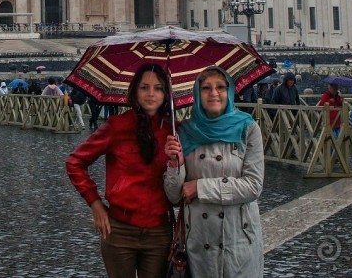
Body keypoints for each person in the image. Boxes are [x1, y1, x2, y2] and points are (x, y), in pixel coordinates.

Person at [66, 64, 174, 278]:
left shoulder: (174, 130)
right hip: (119, 230)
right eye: (144, 87)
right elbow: (75, 162)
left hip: (159, 231)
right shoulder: (117, 126)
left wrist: (177, 159)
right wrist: (95, 203)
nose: (151, 94)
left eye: (158, 88)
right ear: (134, 91)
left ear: (166, 94)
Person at [164, 66, 264, 277]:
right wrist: (174, 164)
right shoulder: (183, 131)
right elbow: (174, 196)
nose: (214, 93)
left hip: (238, 238)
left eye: (220, 87)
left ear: (229, 91)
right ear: (197, 93)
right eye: (206, 88)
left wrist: (201, 188)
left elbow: (253, 186)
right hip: (200, 240)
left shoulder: (248, 128)